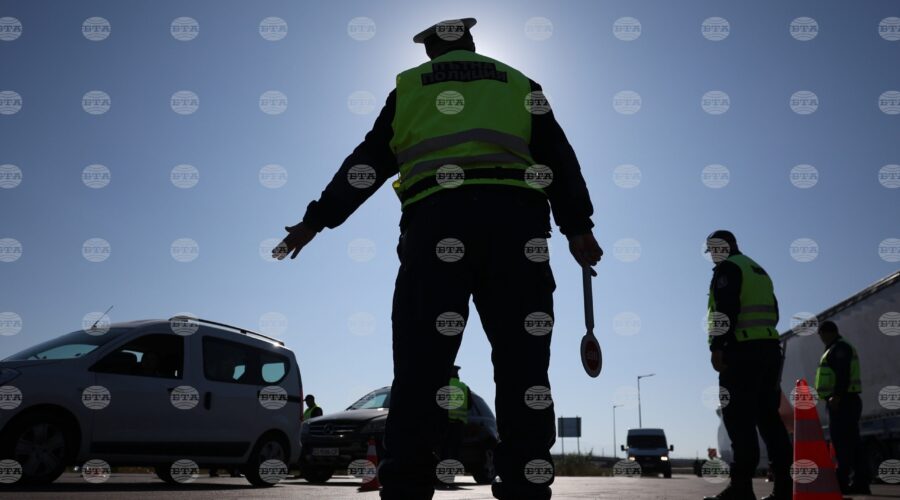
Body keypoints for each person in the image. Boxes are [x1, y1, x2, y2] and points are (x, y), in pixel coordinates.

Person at [273, 17, 601, 500]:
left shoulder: (410, 88)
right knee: (524, 364)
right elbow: (558, 156)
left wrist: (315, 221)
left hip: (437, 227)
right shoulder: (518, 82)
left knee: (421, 365)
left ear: (431, 52)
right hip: (516, 229)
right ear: (472, 42)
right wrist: (578, 226)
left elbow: (367, 163)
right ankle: (526, 485)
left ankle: (406, 486)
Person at [703, 230, 792, 500]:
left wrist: (718, 346)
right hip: (769, 351)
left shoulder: (729, 268)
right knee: (769, 420)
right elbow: (775, 311)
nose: (713, 256)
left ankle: (741, 488)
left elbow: (725, 310)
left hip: (741, 352)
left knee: (738, 419)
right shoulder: (757, 269)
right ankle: (784, 488)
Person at [814, 320, 870, 494]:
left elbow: (842, 374)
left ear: (828, 332)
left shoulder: (839, 348)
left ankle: (843, 482)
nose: (821, 339)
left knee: (843, 443)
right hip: (845, 401)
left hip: (843, 401)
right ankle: (859, 483)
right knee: (851, 443)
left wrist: (836, 396)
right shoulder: (837, 348)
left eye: (822, 335)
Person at [438, 365, 470, 489]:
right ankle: (450, 479)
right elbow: (470, 405)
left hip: (445, 424)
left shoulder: (445, 386)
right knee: (454, 453)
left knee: (443, 451)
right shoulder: (464, 387)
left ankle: (441, 479)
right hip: (459, 425)